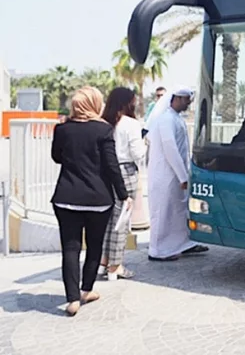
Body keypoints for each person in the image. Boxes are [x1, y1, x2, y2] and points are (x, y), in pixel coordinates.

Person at [50, 86, 132, 316]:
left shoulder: (62, 128)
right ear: (95, 104)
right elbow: (111, 165)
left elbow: (57, 157)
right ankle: (86, 290)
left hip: (65, 198)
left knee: (70, 248)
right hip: (98, 200)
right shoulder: (103, 130)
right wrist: (124, 194)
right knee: (94, 246)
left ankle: (72, 300)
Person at [146, 85, 209, 261]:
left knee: (178, 211)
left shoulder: (175, 118)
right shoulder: (166, 119)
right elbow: (170, 149)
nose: (188, 104)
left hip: (175, 175)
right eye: (186, 100)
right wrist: (183, 176)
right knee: (163, 212)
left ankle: (182, 244)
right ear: (177, 98)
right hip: (166, 176)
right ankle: (158, 251)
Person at [98, 87, 147, 281]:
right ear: (128, 103)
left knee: (107, 220)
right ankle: (115, 266)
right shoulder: (131, 124)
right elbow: (138, 154)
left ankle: (103, 262)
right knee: (121, 221)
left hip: (105, 173)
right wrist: (145, 143)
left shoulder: (103, 122)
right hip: (126, 171)